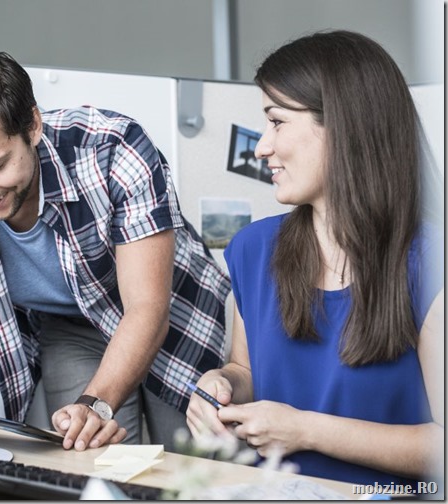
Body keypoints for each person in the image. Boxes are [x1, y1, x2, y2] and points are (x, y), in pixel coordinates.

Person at [0, 46, 231, 452]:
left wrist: (97, 402)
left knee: (195, 467)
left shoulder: (112, 149)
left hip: (177, 313)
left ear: (32, 126)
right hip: (72, 327)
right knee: (90, 456)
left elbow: (147, 308)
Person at [186, 30, 444, 487]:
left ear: (343, 126)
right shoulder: (252, 249)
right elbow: (244, 369)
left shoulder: (430, 264)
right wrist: (219, 386)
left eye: (277, 121)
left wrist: (306, 431)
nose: (262, 146)